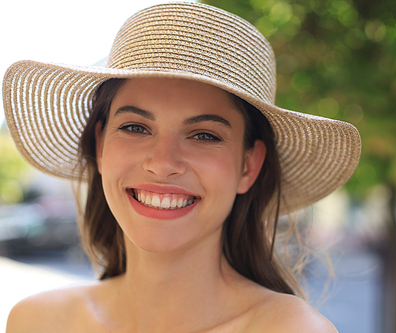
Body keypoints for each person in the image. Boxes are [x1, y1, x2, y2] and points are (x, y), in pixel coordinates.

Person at [3, 2, 361, 332]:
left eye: (204, 135)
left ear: (249, 166)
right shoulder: (35, 321)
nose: (162, 163)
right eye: (135, 127)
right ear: (99, 145)